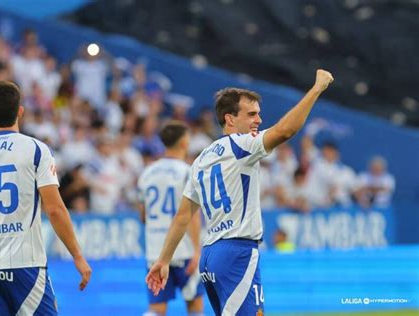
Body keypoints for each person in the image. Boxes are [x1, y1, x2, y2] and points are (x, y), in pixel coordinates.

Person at [146, 69, 334, 315]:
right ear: (230, 119)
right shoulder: (242, 146)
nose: (258, 120)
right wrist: (316, 89)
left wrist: (163, 260)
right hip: (237, 253)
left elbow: (183, 216)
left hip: (210, 254)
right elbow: (285, 131)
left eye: (258, 114)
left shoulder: (201, 159)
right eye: (251, 114)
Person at [0, 81, 92, 314]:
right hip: (26, 266)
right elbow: (54, 209)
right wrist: (77, 255)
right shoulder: (36, 150)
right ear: (20, 111)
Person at [138, 121, 204, 316]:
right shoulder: (187, 171)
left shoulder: (147, 173)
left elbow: (143, 216)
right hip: (183, 249)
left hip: (155, 251)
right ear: (184, 143)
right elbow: (191, 215)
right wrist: (197, 249)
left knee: (156, 309)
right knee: (194, 306)